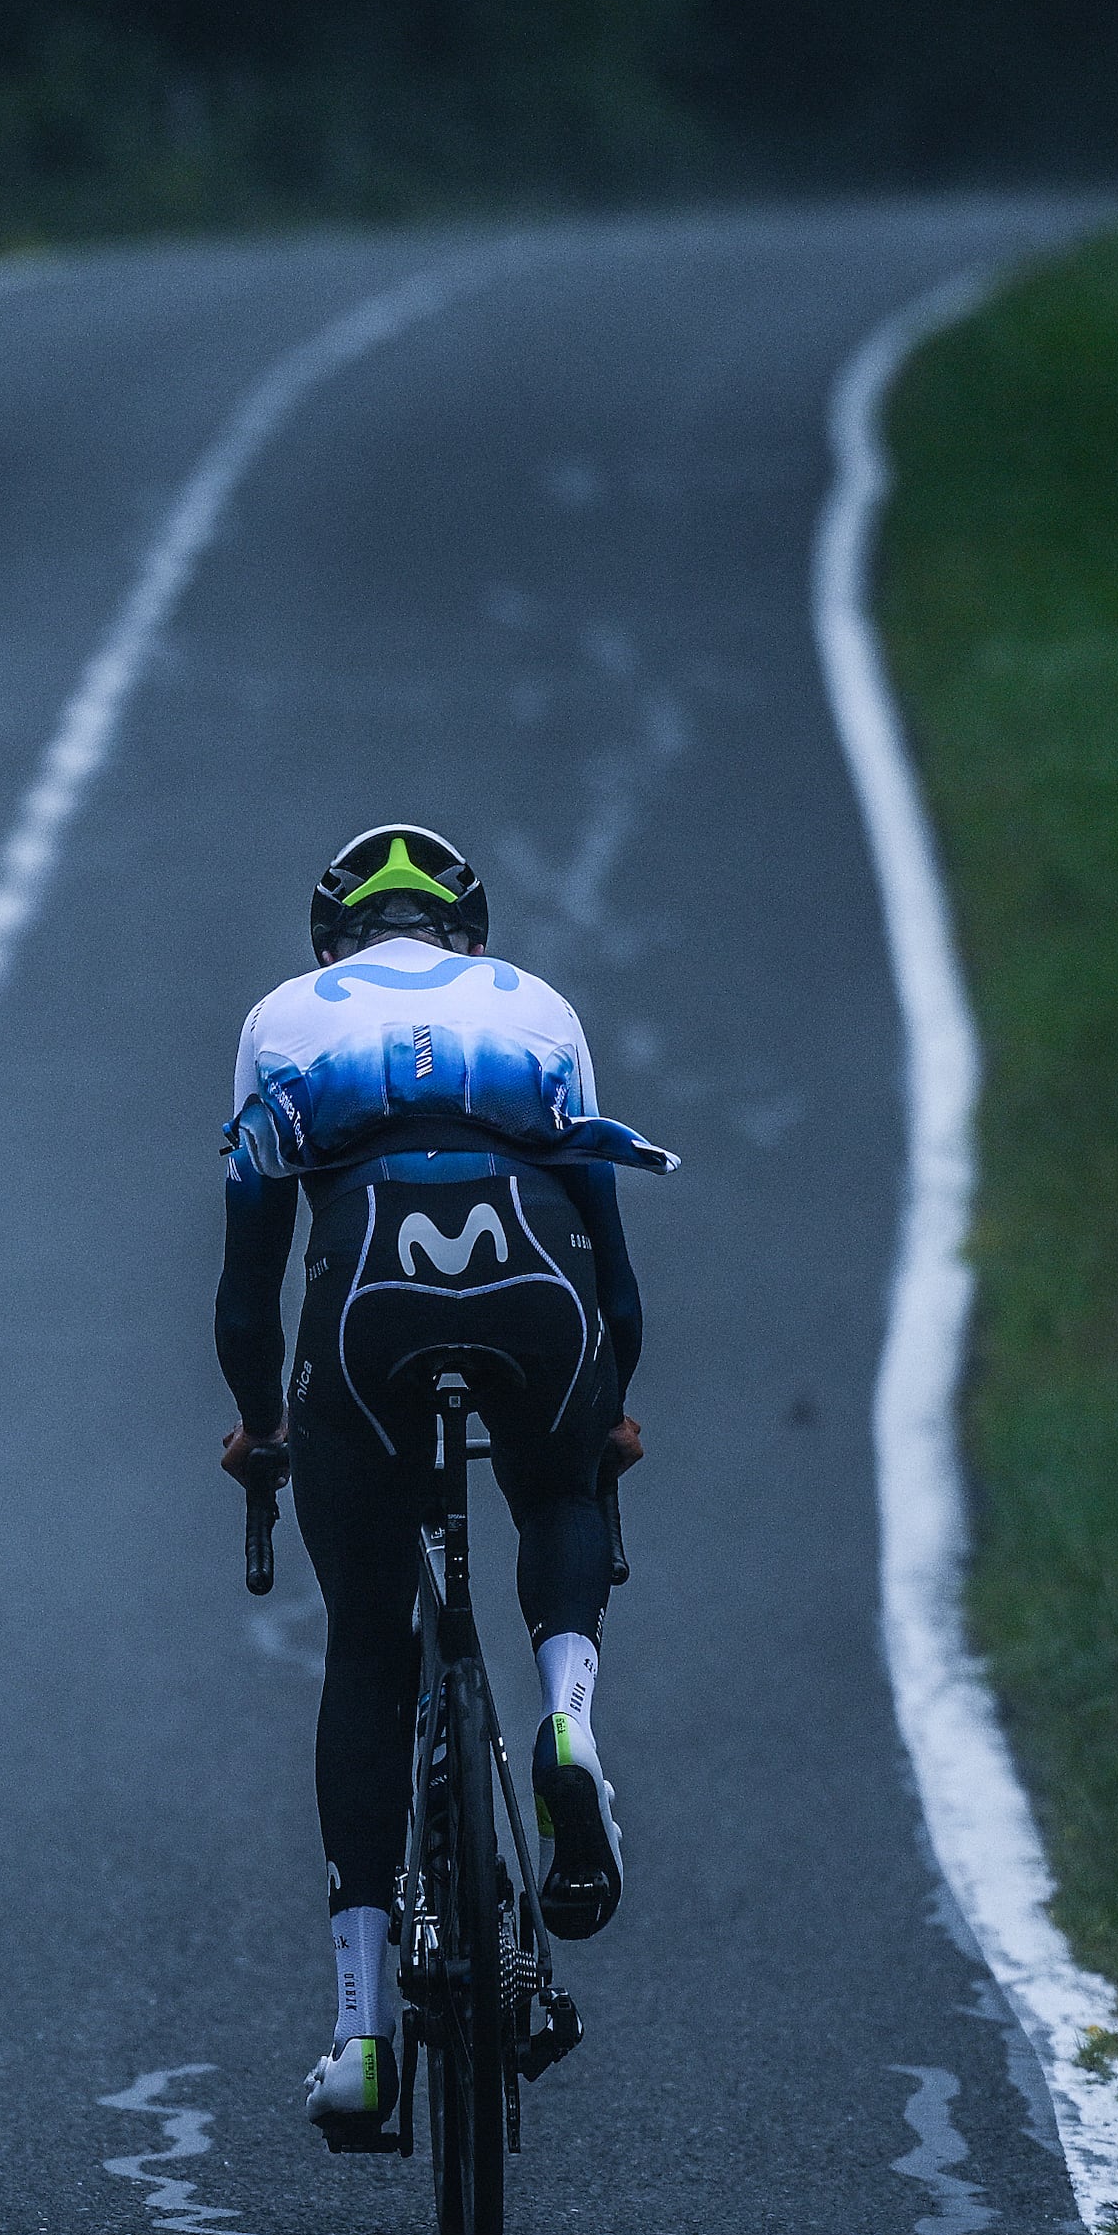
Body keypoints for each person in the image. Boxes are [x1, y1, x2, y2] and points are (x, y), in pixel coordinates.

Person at [212, 823, 672, 2146]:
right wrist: (603, 1422)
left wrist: (261, 1429)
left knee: (368, 1644)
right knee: (559, 1493)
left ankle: (362, 2036)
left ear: (331, 942)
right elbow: (618, 1277)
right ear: (467, 935)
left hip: (364, 1299)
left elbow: (250, 1294)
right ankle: (568, 1718)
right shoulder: (537, 1007)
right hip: (535, 1274)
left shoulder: (281, 1020)